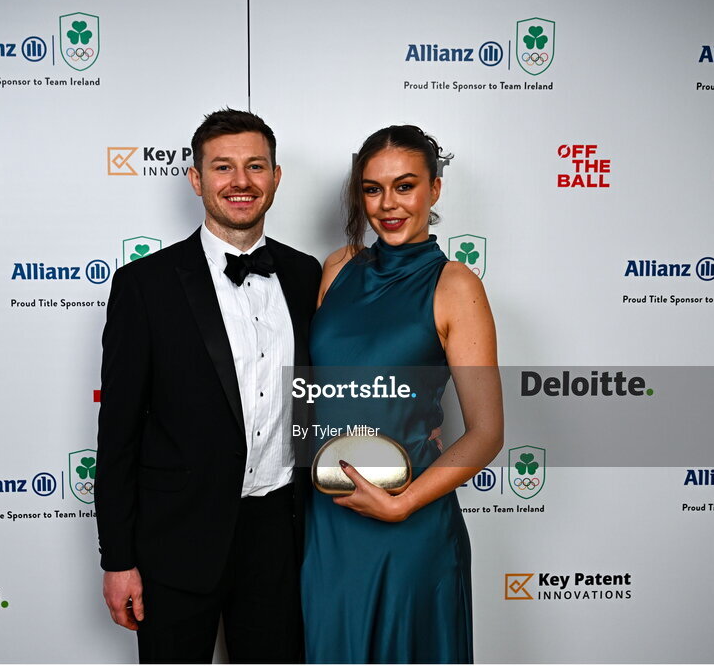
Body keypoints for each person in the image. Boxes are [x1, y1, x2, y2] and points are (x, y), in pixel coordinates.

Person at [95, 108, 321, 664]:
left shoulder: (306, 275)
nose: (241, 181)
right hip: (175, 540)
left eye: (255, 166)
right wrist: (117, 560)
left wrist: (412, 420)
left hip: (279, 536)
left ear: (275, 177)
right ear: (196, 179)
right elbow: (117, 433)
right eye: (223, 167)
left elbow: (332, 390)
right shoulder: (144, 285)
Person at [301, 125, 504, 663]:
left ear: (434, 189)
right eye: (373, 189)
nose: (387, 204)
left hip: (409, 522)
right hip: (329, 523)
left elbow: (486, 433)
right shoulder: (338, 267)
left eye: (405, 186)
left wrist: (403, 503)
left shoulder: (456, 286)